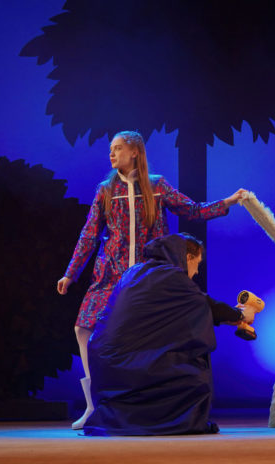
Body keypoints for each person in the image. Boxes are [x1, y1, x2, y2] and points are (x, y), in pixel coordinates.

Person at [56, 130, 247, 429]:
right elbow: (89, 234)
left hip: (148, 275)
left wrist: (228, 202)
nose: (112, 153)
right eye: (111, 148)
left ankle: (151, 402)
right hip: (111, 274)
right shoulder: (106, 190)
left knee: (148, 336)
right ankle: (94, 404)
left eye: (118, 148)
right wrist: (71, 272)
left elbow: (192, 210)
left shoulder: (157, 186)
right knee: (84, 327)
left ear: (135, 152)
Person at [82, 233, 256, 436]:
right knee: (190, 358)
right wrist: (240, 314)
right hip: (132, 367)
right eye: (197, 264)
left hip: (106, 366)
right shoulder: (173, 278)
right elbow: (206, 304)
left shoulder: (133, 272)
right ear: (188, 257)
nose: (196, 271)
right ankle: (177, 420)